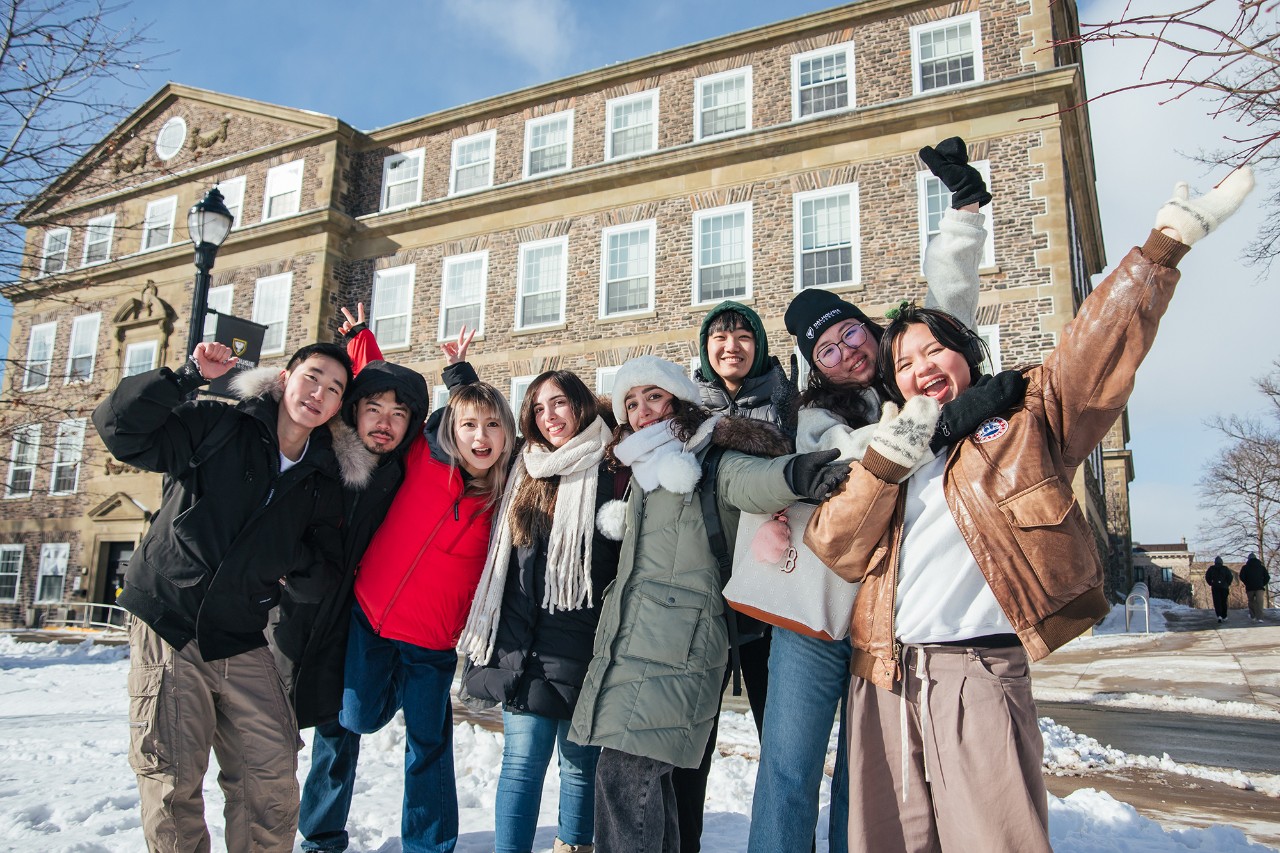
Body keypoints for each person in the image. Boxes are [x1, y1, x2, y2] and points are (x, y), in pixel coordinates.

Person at [805, 166, 1254, 853]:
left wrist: (1162, 251)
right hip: (882, 680)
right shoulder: (889, 453)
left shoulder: (1025, 422)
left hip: (976, 674)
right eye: (905, 362)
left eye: (935, 350)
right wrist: (891, 461)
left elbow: (1091, 354)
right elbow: (834, 544)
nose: (921, 365)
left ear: (966, 357)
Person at [751, 136, 1024, 853]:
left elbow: (950, 309)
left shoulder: (908, 373)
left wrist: (964, 209)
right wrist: (938, 424)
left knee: (865, 773)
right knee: (790, 768)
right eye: (827, 352)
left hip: (890, 615)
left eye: (847, 334)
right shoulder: (815, 418)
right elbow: (856, 467)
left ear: (865, 326)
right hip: (817, 613)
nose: (845, 354)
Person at [569, 355, 850, 853]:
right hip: (636, 643)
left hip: (680, 646)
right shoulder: (642, 465)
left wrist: (795, 476)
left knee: (623, 780)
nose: (642, 410)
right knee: (654, 789)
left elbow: (748, 479)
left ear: (678, 400)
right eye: (631, 402)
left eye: (653, 396)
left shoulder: (707, 454)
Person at [92, 340, 356, 853]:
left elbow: (320, 567)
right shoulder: (218, 425)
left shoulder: (321, 478)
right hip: (171, 618)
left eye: (334, 389)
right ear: (285, 378)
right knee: (171, 777)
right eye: (312, 377)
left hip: (241, 630)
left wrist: (286, 564)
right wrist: (186, 376)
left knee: (272, 773)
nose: (319, 393)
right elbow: (120, 430)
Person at [337, 343, 517, 853]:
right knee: (358, 718)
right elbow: (385, 395)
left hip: (434, 642)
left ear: (507, 436)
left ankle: (429, 844)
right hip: (371, 615)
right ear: (451, 432)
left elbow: (480, 414)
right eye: (469, 426)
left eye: (492, 427)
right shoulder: (423, 453)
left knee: (428, 745)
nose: (479, 437)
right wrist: (363, 342)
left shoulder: (508, 495)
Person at [275, 304, 433, 853]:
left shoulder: (403, 468)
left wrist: (366, 340)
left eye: (398, 415)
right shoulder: (321, 453)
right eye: (373, 409)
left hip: (355, 620)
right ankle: (264, 833)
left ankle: (321, 837)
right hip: (291, 614)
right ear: (352, 412)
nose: (385, 421)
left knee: (340, 736)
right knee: (270, 738)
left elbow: (397, 392)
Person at [459, 370, 623, 853]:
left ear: (582, 405)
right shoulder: (521, 470)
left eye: (559, 404)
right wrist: (461, 380)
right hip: (523, 642)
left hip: (586, 642)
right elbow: (468, 437)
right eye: (538, 408)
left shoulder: (614, 467)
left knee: (579, 765)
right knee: (521, 763)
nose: (549, 416)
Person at [681, 300, 794, 851]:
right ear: (706, 348)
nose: (732, 346)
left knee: (780, 739)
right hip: (703, 593)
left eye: (743, 336)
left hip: (772, 589)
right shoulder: (682, 410)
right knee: (692, 740)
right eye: (720, 337)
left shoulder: (786, 401)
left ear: (760, 345)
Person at [1241, 553, 1270, 622]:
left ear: (1248, 559)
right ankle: (1260, 618)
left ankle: (1253, 616)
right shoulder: (1261, 567)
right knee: (1259, 602)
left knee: (1251, 601)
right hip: (1259, 587)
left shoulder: (1245, 567)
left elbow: (1241, 576)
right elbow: (1267, 577)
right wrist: (1263, 583)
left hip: (1250, 587)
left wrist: (1246, 582)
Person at [1207, 556, 1234, 623]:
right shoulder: (1225, 569)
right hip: (1224, 587)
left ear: (1215, 562)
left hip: (1215, 587)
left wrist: (1210, 583)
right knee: (1223, 601)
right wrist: (1227, 584)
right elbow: (1230, 577)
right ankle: (1224, 615)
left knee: (1217, 602)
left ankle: (1219, 615)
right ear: (1221, 562)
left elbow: (1207, 576)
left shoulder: (1211, 568)